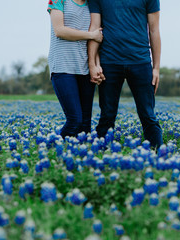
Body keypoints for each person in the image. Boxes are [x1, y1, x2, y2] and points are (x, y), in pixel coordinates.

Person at [88, 0, 163, 149]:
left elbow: (154, 30)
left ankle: (158, 156)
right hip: (109, 61)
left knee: (148, 115)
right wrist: (92, 64)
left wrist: (156, 68)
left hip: (140, 61)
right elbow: (94, 28)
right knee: (107, 115)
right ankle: (101, 157)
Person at [47, 0, 103, 139]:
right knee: (74, 120)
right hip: (62, 67)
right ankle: (55, 149)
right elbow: (59, 30)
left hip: (84, 67)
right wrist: (90, 35)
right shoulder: (59, 1)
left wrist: (96, 65)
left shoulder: (93, 4)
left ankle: (79, 159)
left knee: (85, 125)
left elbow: (98, 36)